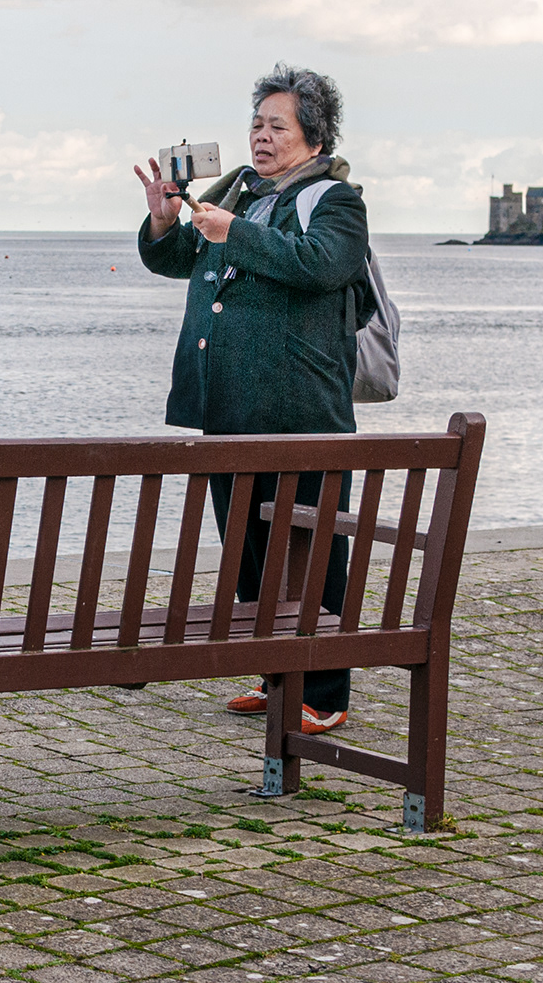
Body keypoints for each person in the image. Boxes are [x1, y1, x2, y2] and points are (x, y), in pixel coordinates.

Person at [134, 64, 370, 736]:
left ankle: (323, 693)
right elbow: (178, 256)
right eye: (256, 124)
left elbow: (320, 264)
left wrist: (229, 230)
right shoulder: (239, 187)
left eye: (277, 126)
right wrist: (164, 220)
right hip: (227, 405)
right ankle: (276, 678)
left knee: (311, 551)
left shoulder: (335, 200)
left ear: (313, 135)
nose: (261, 137)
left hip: (302, 411)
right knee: (251, 551)